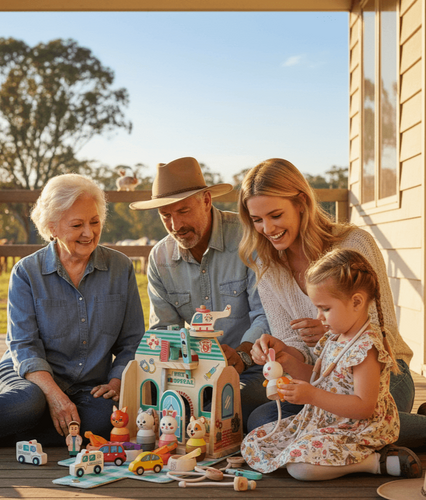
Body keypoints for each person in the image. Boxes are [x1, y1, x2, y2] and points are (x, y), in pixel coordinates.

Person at [0, 173, 145, 455]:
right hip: (28, 378)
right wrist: (54, 396)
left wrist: (116, 380)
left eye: (95, 221)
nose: (89, 233)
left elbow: (132, 341)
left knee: (107, 421)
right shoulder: (26, 272)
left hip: (89, 386)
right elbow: (24, 346)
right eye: (77, 224)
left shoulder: (121, 268)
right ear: (52, 227)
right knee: (28, 403)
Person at [237, 158, 417, 440]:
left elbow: (385, 331)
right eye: (257, 220)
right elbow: (301, 354)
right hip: (323, 382)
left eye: (275, 215)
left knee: (346, 423)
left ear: (300, 203)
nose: (267, 229)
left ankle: (403, 430)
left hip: (380, 375)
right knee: (261, 421)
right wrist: (281, 351)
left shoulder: (353, 244)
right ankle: (390, 439)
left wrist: (338, 331)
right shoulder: (269, 269)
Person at [241, 248, 422, 481]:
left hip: (357, 429)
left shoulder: (366, 349)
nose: (319, 317)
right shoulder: (336, 337)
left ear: (356, 302)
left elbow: (363, 407)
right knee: (258, 439)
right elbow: (318, 378)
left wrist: (312, 396)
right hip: (327, 422)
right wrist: (285, 357)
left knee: (300, 468)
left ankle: (375, 462)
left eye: (325, 308)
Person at [130, 157, 271, 424]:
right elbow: (164, 331)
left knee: (225, 405)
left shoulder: (247, 238)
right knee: (162, 411)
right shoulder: (159, 258)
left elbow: (266, 313)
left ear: (206, 200)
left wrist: (241, 354)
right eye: (165, 216)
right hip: (191, 371)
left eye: (183, 211)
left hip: (252, 366)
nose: (175, 226)